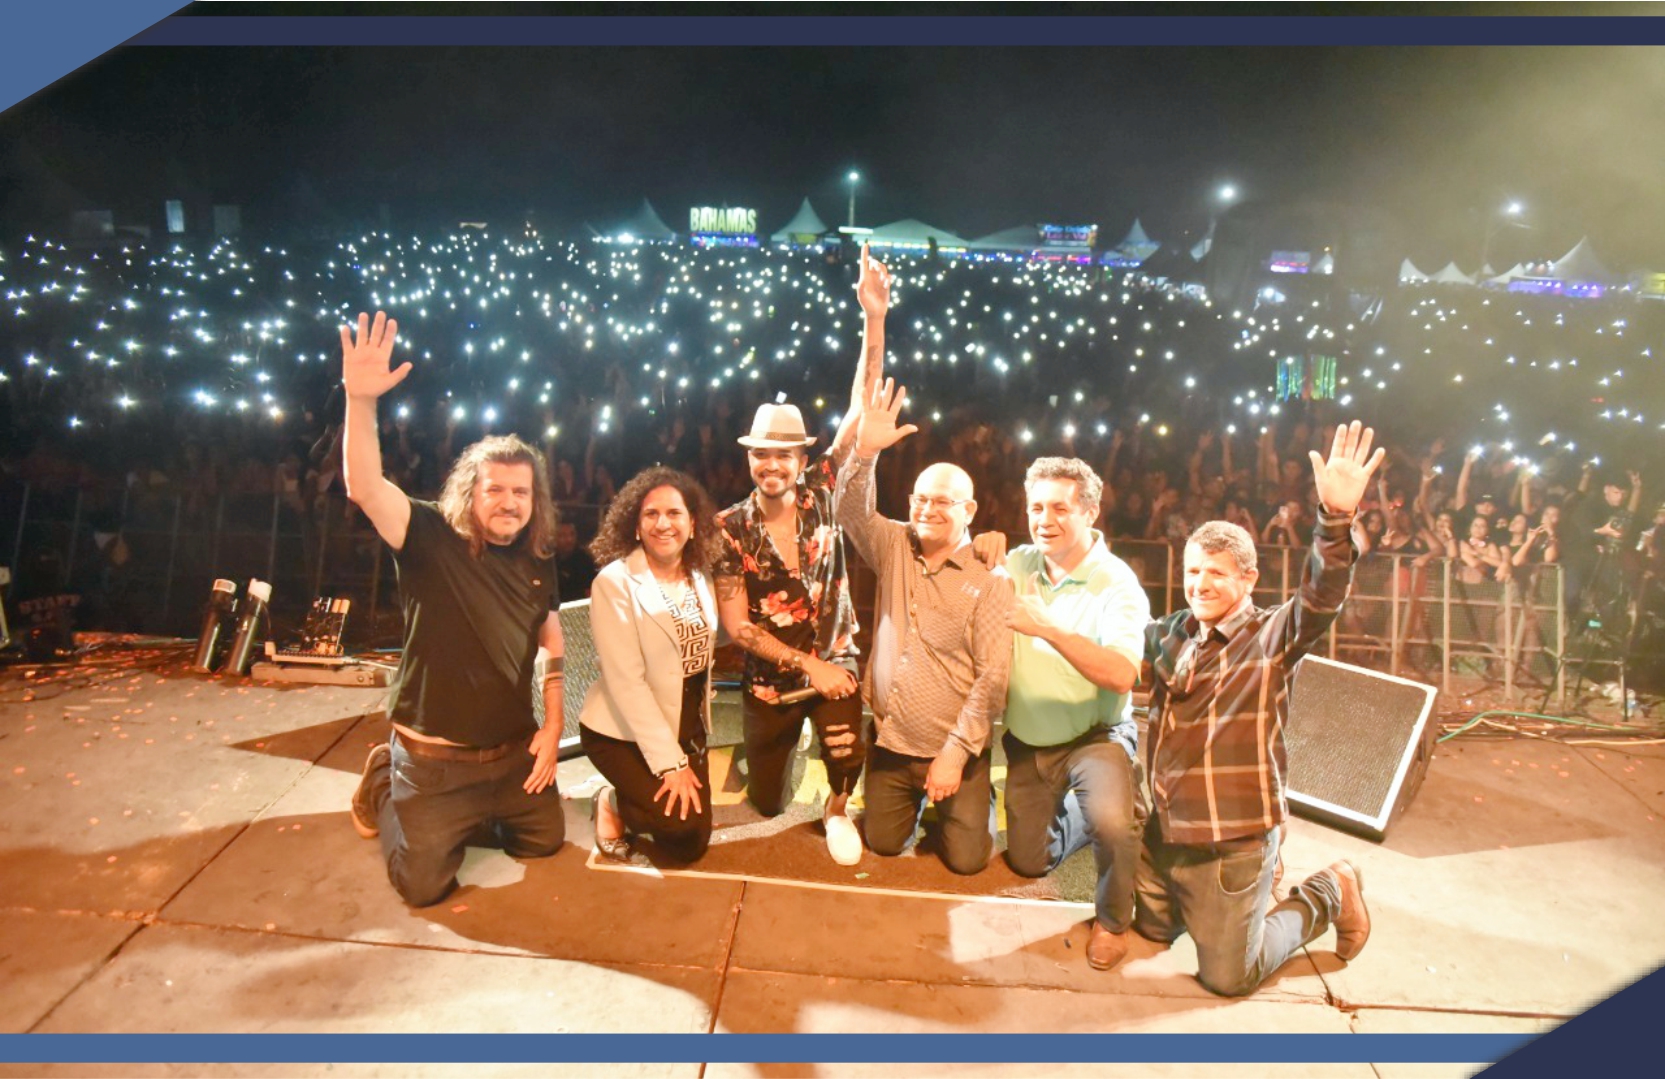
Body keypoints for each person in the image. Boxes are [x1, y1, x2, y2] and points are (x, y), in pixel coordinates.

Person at [1135, 420, 1382, 997]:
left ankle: (1328, 892)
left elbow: (1322, 595)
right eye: (1192, 571)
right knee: (1148, 929)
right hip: (1168, 829)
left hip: (1232, 834)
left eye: (1217, 573)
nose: (1200, 584)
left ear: (1249, 578)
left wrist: (1335, 519)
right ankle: (1196, 904)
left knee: (1227, 976)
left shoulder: (1275, 635)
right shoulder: (1170, 631)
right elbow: (1112, 650)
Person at [342, 311, 566, 908]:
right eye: (495, 489)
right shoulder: (427, 535)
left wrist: (553, 723)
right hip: (434, 764)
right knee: (423, 888)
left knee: (545, 842)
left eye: (521, 492)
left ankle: (467, 819)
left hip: (510, 755)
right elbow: (365, 487)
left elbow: (552, 643)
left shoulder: (536, 559)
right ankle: (386, 782)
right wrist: (360, 401)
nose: (509, 502)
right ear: (470, 490)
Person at [713, 244, 889, 866]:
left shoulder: (821, 491)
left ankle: (838, 810)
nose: (772, 464)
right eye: (761, 453)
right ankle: (771, 760)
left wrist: (875, 318)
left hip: (834, 666)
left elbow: (863, 404)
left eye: (783, 454)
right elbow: (737, 627)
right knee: (765, 803)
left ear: (800, 459)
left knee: (846, 751)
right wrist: (801, 666)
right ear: (749, 459)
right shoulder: (727, 529)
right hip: (768, 685)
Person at [836, 378, 1015, 875]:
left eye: (942, 502)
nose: (926, 510)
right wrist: (865, 453)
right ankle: (909, 800)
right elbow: (848, 510)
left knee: (967, 860)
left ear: (969, 512)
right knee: (885, 844)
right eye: (920, 499)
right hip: (892, 743)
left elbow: (993, 680)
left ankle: (973, 798)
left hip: (954, 748)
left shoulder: (990, 578)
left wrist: (955, 757)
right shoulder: (894, 544)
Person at [996, 457, 1151, 970]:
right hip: (1029, 740)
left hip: (1096, 735)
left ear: (1090, 511)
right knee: (1028, 861)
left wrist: (1049, 629)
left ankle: (1112, 921)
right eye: (1035, 507)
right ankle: (1112, 808)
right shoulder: (1018, 563)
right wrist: (980, 544)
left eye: (1060, 508)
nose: (1045, 519)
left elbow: (1123, 675)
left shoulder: (1118, 583)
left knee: (1113, 823)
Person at [579, 467, 723, 864]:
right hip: (620, 731)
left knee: (691, 841)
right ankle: (609, 801)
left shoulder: (698, 574)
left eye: (674, 514)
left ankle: (624, 796)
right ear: (636, 526)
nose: (664, 523)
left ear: (692, 525)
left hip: (684, 724)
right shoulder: (615, 582)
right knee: (677, 828)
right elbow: (627, 684)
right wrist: (671, 764)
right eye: (651, 514)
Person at [554, 519, 598, 604]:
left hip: (577, 608)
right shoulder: (548, 559)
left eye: (572, 534)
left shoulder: (585, 559)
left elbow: (590, 590)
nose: (569, 539)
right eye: (563, 535)